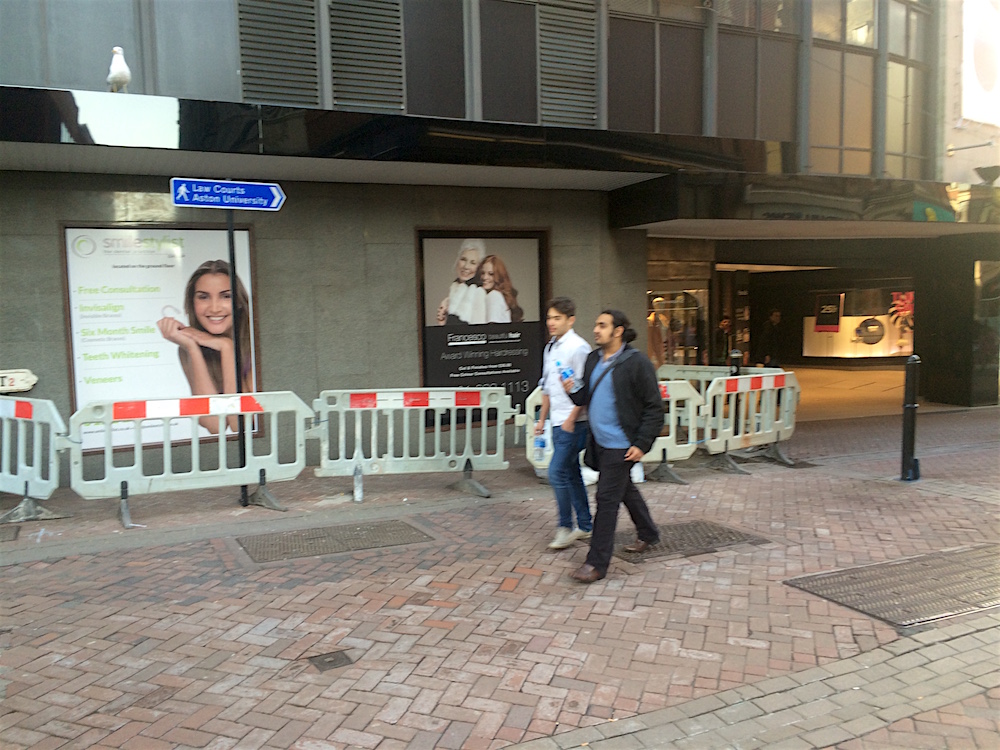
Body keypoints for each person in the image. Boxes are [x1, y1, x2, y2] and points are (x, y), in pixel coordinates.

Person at [563, 310, 663, 583]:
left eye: (602, 325)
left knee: (606, 500)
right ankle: (649, 533)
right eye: (596, 324)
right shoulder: (593, 358)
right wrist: (571, 388)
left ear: (618, 331)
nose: (596, 330)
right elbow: (585, 396)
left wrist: (642, 444)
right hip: (600, 442)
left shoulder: (637, 363)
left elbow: (655, 408)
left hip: (622, 445)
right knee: (625, 490)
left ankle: (596, 564)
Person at [156, 259, 252, 433]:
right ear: (192, 303)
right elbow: (214, 425)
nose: (214, 308)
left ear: (238, 301)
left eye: (226, 296)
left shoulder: (256, 342)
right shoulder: (188, 348)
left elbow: (243, 424)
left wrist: (227, 348)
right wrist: (192, 349)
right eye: (203, 297)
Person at [534, 297, 593, 550]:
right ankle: (586, 525)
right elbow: (548, 386)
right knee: (571, 472)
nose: (551, 323)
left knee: (556, 472)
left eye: (557, 318)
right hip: (556, 420)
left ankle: (565, 526)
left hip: (574, 421)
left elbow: (584, 388)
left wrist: (571, 419)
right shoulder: (551, 347)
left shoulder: (578, 348)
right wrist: (542, 419)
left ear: (571, 319)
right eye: (549, 318)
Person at [436, 239, 487, 325]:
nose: (466, 266)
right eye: (463, 259)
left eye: (473, 263)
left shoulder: (478, 292)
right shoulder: (455, 288)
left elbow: (479, 331)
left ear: (479, 267)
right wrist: (443, 323)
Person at [477, 254, 524, 323]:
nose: (485, 277)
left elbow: (493, 329)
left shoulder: (493, 296)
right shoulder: (499, 296)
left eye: (491, 274)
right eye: (482, 273)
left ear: (499, 276)